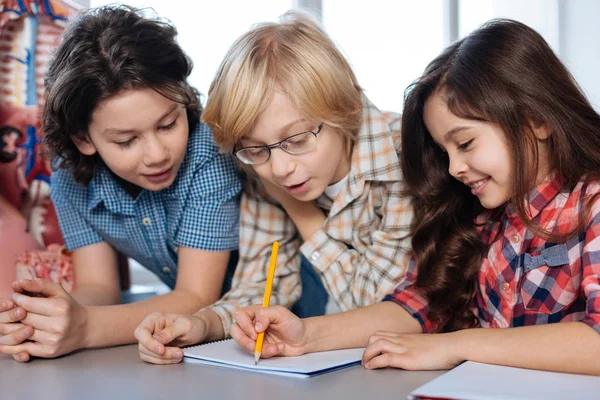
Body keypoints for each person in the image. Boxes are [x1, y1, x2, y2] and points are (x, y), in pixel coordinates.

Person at [229, 19, 600, 375]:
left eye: (466, 143)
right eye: (445, 152)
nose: (454, 167)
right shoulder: (479, 215)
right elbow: (418, 305)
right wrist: (306, 335)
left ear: (537, 120)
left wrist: (456, 345)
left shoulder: (591, 203)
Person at [134, 10, 413, 365]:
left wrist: (300, 212)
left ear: (345, 106)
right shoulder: (260, 167)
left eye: (296, 139)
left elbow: (385, 309)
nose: (280, 170)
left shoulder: (406, 157)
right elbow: (261, 285)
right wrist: (201, 324)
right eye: (255, 149)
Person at [0, 5, 242, 362]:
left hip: (286, 312)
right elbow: (99, 288)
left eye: (168, 125)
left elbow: (196, 296)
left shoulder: (208, 155)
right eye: (127, 141)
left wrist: (84, 328)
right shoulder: (71, 179)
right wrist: (44, 320)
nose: (157, 154)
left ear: (183, 96)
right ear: (83, 138)